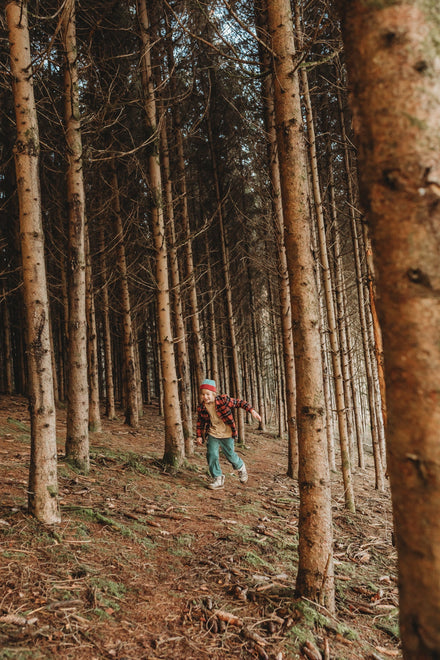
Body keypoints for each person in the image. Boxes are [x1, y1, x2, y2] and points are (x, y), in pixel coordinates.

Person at [196, 378, 262, 490]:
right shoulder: (201, 407)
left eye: (208, 394)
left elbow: (239, 403)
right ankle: (218, 478)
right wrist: (198, 436)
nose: (205, 397)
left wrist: (252, 411)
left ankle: (241, 467)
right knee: (211, 454)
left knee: (230, 455)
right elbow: (200, 422)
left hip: (227, 434)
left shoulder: (223, 400)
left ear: (214, 394)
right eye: (203, 394)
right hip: (213, 434)